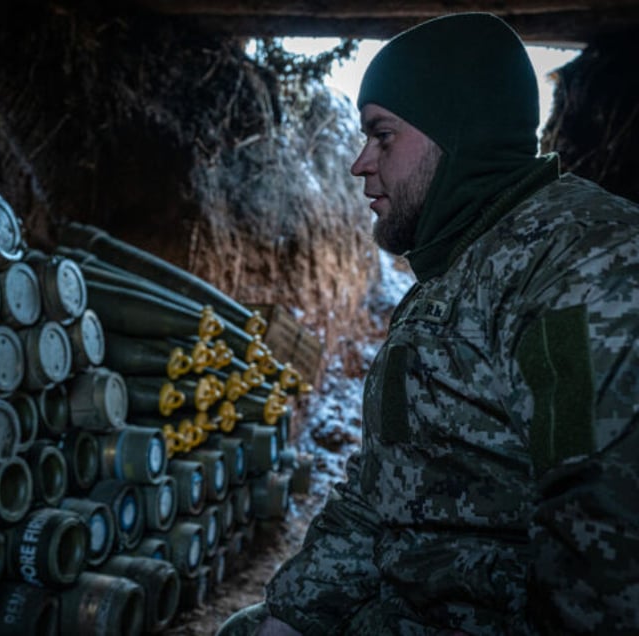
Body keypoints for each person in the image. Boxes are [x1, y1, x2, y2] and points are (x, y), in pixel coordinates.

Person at [218, 12, 639, 636]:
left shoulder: (586, 265)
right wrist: (292, 614)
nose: (361, 162)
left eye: (381, 135)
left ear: (457, 134)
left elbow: (605, 550)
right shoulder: (459, 267)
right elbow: (382, 488)